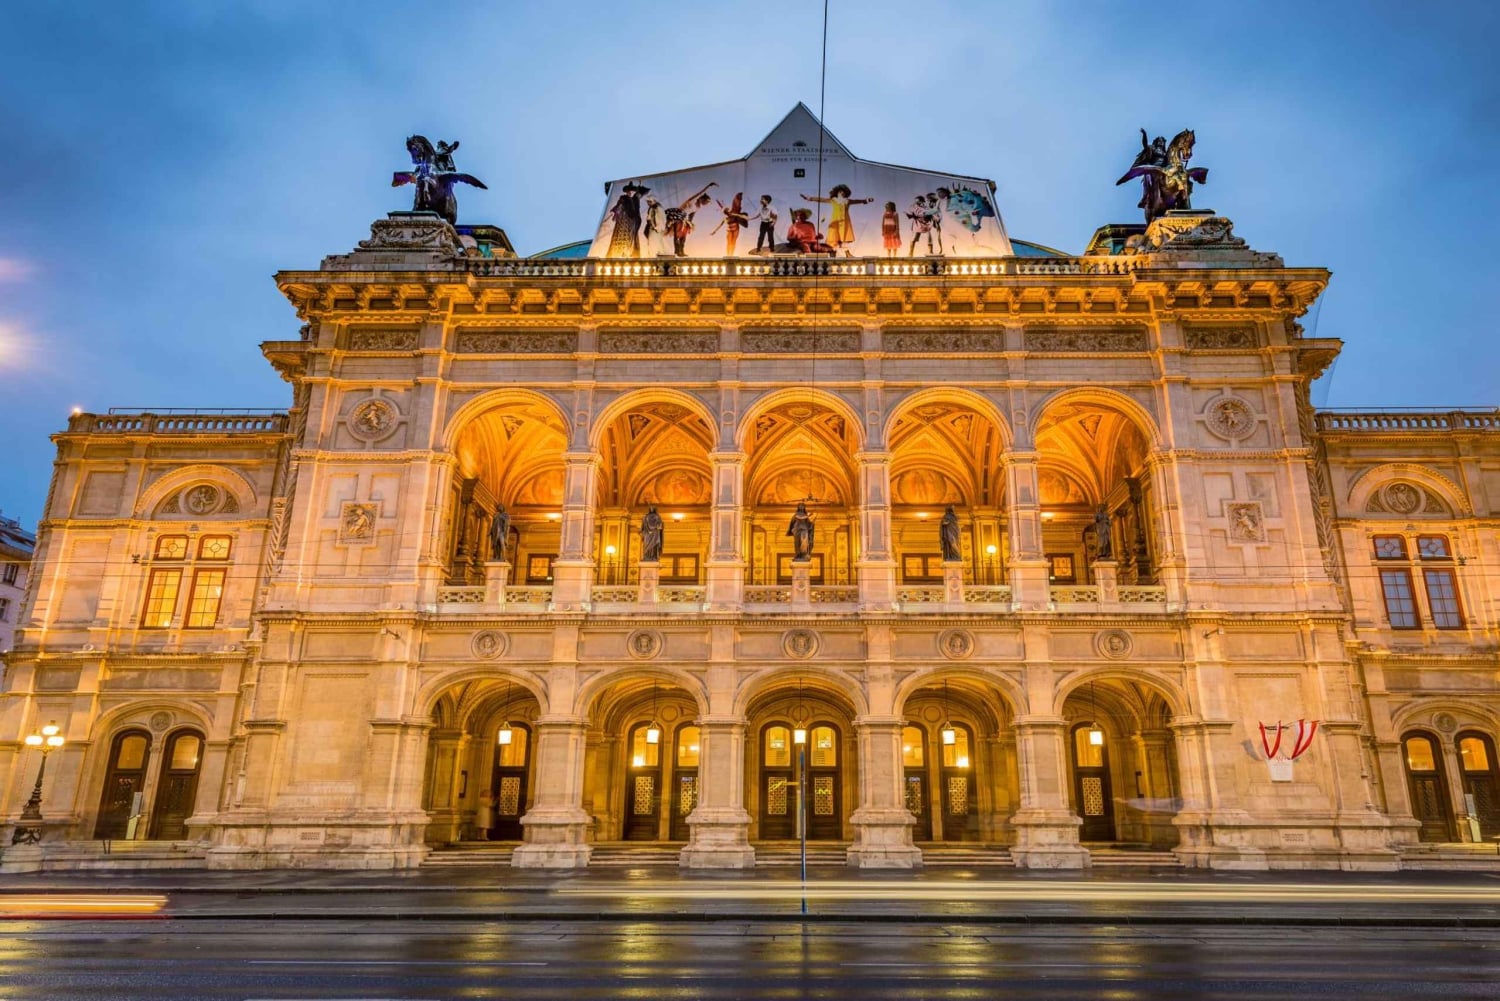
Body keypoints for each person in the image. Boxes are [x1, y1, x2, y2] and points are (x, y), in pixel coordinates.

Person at [801, 184, 873, 248]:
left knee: (843, 236)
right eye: (840, 192)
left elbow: (857, 201)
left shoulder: (847, 201)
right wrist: (810, 198)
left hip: (845, 220)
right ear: (837, 193)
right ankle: (833, 250)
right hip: (835, 220)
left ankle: (846, 252)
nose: (842, 193)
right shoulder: (833, 200)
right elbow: (821, 199)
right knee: (834, 235)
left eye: (843, 192)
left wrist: (866, 200)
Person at [607, 182, 648, 258]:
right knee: (623, 235)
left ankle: (630, 253)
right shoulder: (623, 198)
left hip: (633, 221)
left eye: (632, 191)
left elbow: (643, 192)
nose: (630, 193)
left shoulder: (636, 198)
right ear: (626, 192)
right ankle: (621, 252)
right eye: (629, 192)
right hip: (624, 220)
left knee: (632, 236)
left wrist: (640, 187)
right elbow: (619, 205)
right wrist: (614, 211)